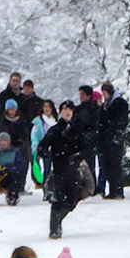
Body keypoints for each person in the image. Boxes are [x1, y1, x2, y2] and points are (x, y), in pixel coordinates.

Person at [40, 101, 88, 239]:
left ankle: (57, 221)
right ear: (60, 112)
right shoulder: (55, 130)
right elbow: (42, 146)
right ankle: (54, 229)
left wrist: (77, 157)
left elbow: (86, 148)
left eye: (70, 110)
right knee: (57, 200)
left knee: (72, 200)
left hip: (74, 169)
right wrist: (48, 154)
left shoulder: (77, 129)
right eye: (64, 109)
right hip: (59, 170)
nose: (67, 112)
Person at [94, 83, 130, 199]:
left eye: (105, 93)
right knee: (108, 166)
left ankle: (118, 191)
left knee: (115, 165)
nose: (104, 96)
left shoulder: (119, 103)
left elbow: (122, 120)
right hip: (106, 139)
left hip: (114, 138)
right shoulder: (105, 105)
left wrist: (117, 132)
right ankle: (112, 190)